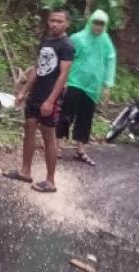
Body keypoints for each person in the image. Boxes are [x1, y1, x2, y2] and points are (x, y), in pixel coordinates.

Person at [3, 9, 75, 193]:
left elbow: (63, 75)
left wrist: (51, 100)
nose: (55, 24)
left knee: (48, 136)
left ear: (67, 23)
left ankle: (50, 181)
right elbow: (38, 67)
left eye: (59, 21)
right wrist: (24, 91)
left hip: (51, 95)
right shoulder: (46, 40)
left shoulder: (67, 45)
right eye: (52, 20)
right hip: (36, 93)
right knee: (29, 127)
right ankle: (25, 171)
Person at [57, 10, 116, 167]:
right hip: (75, 81)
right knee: (67, 114)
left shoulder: (106, 41)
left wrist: (107, 84)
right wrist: (63, 80)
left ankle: (80, 150)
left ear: (105, 26)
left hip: (93, 87)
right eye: (96, 23)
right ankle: (59, 147)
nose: (98, 27)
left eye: (101, 24)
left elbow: (111, 61)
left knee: (85, 118)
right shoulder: (78, 38)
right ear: (90, 22)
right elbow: (67, 58)